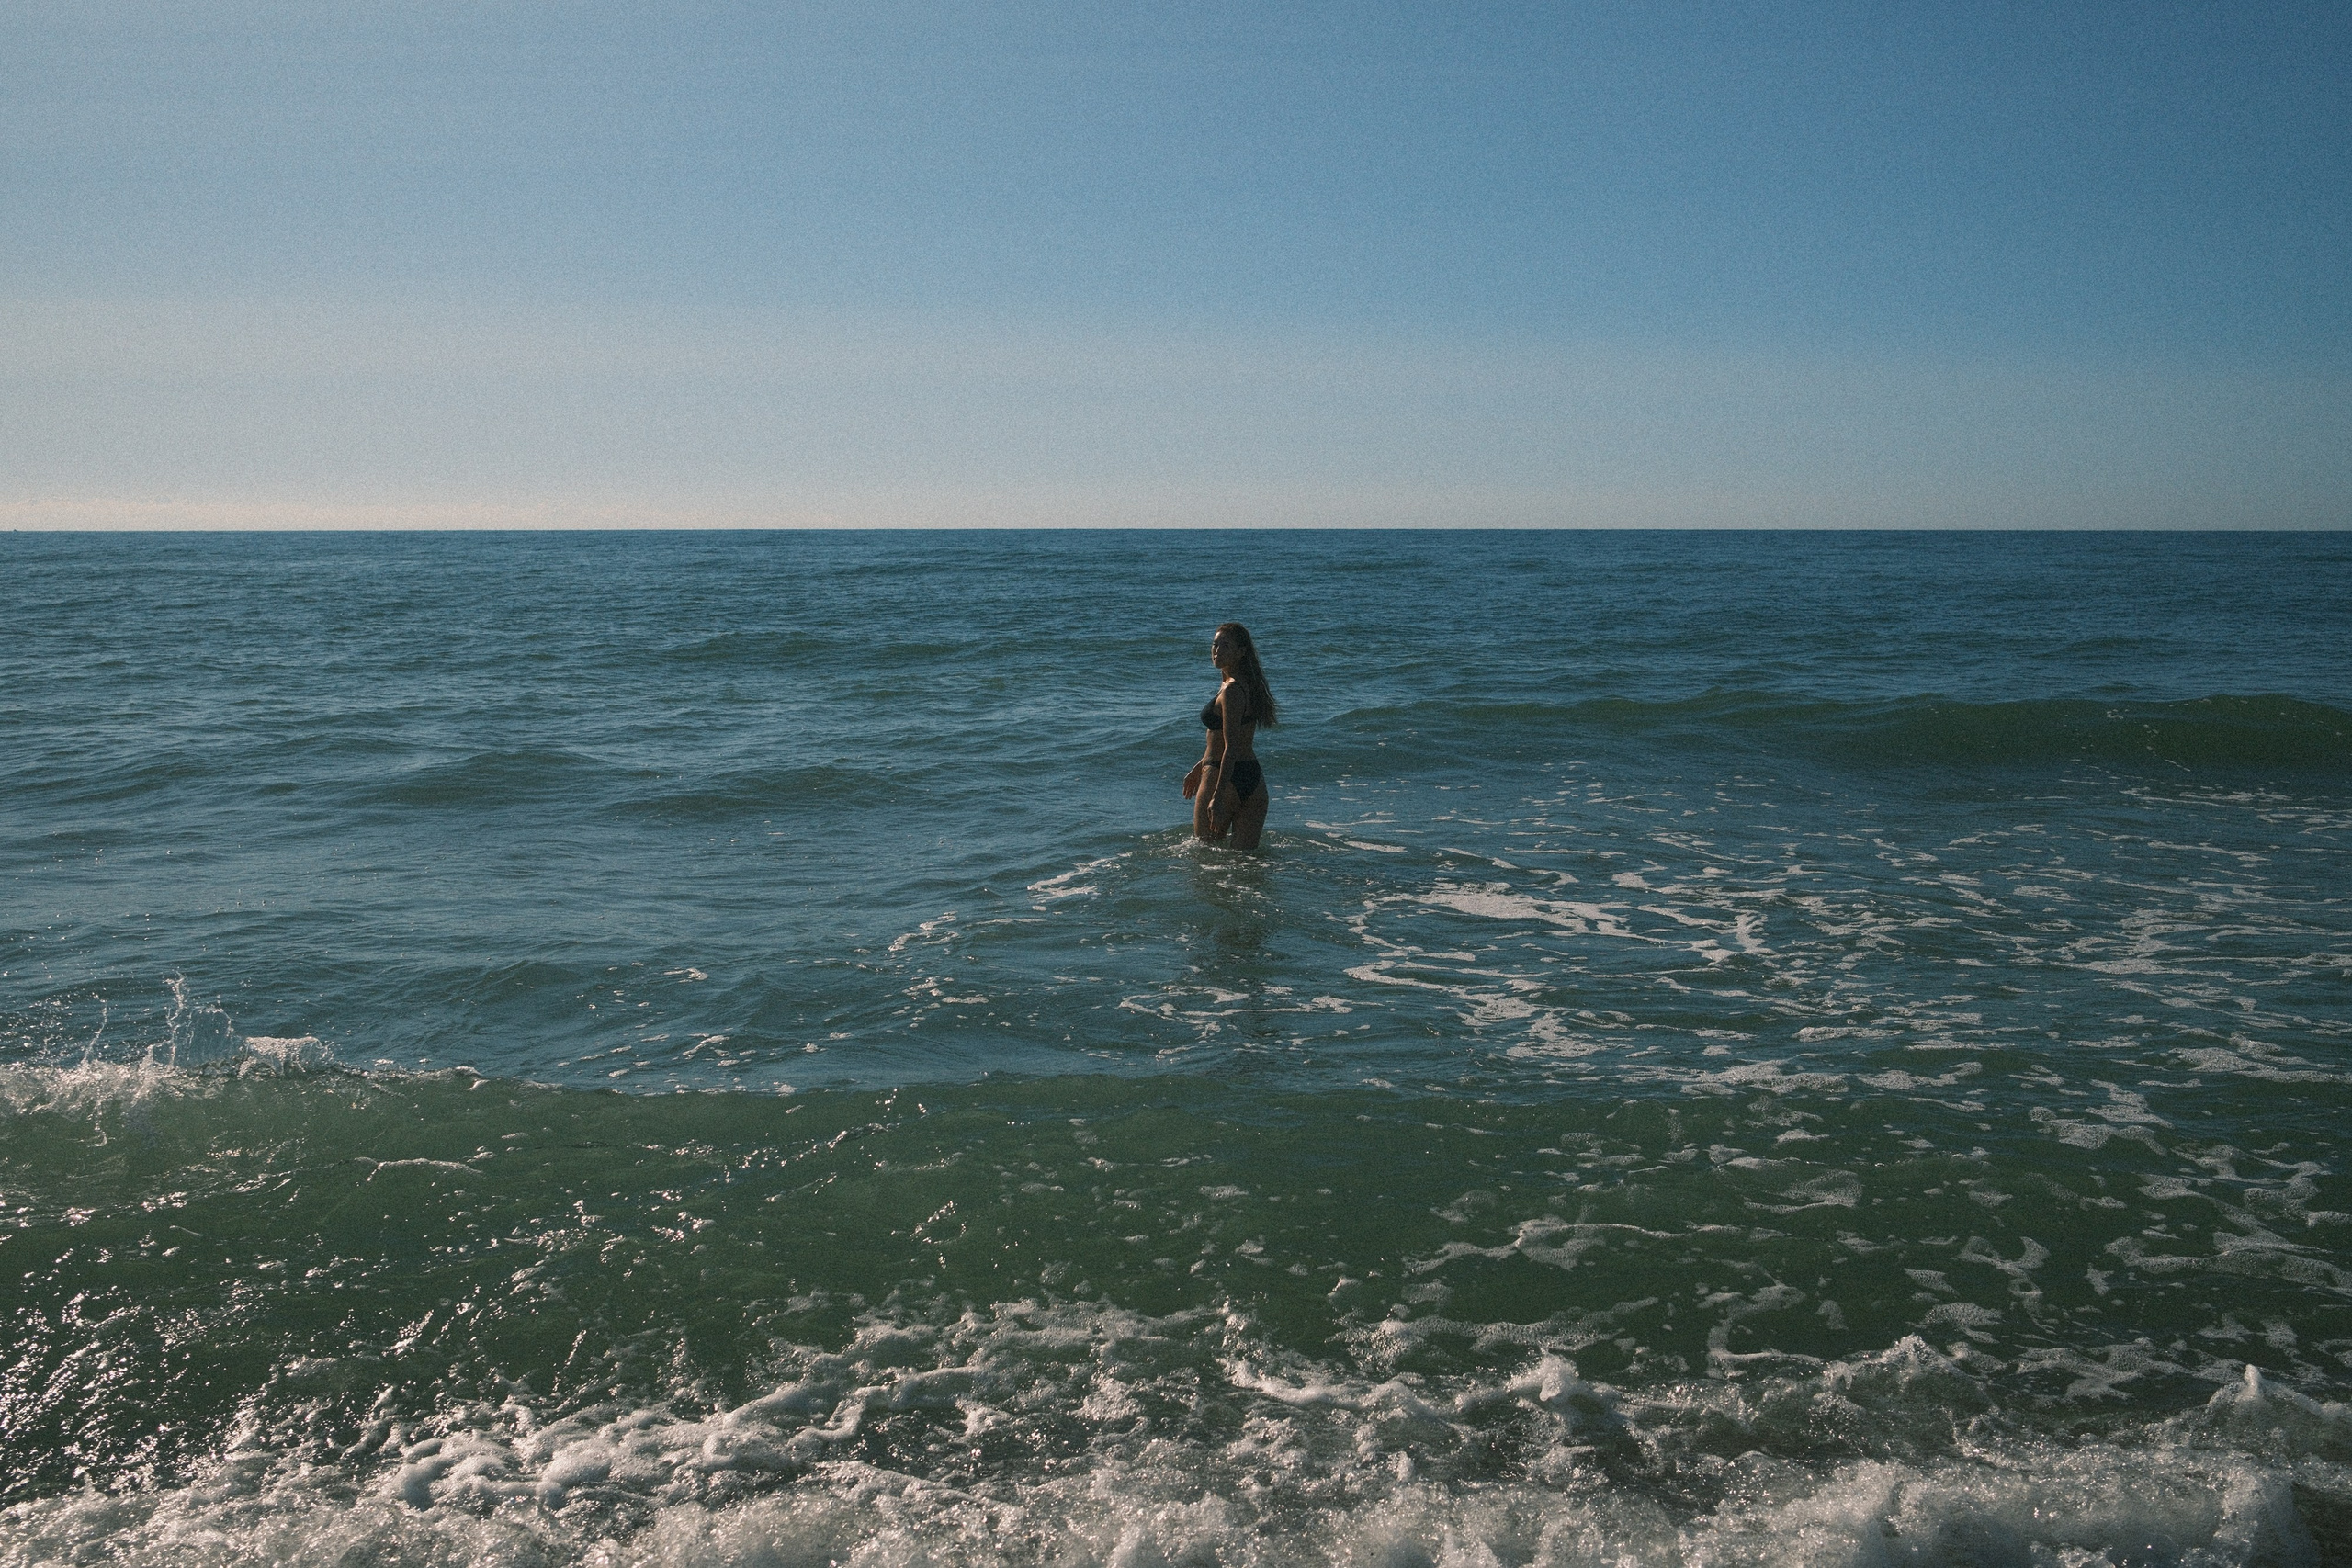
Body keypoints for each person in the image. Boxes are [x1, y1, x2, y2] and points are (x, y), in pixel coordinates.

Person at [1182, 622, 1277, 850]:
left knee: (1205, 856)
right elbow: (1232, 739)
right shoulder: (1247, 685)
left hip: (1222, 776)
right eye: (1215, 645)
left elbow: (1231, 745)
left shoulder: (1232, 690)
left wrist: (1218, 795)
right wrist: (1199, 766)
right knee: (1246, 864)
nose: (1217, 651)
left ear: (1241, 652)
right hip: (1253, 781)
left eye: (1225, 646)